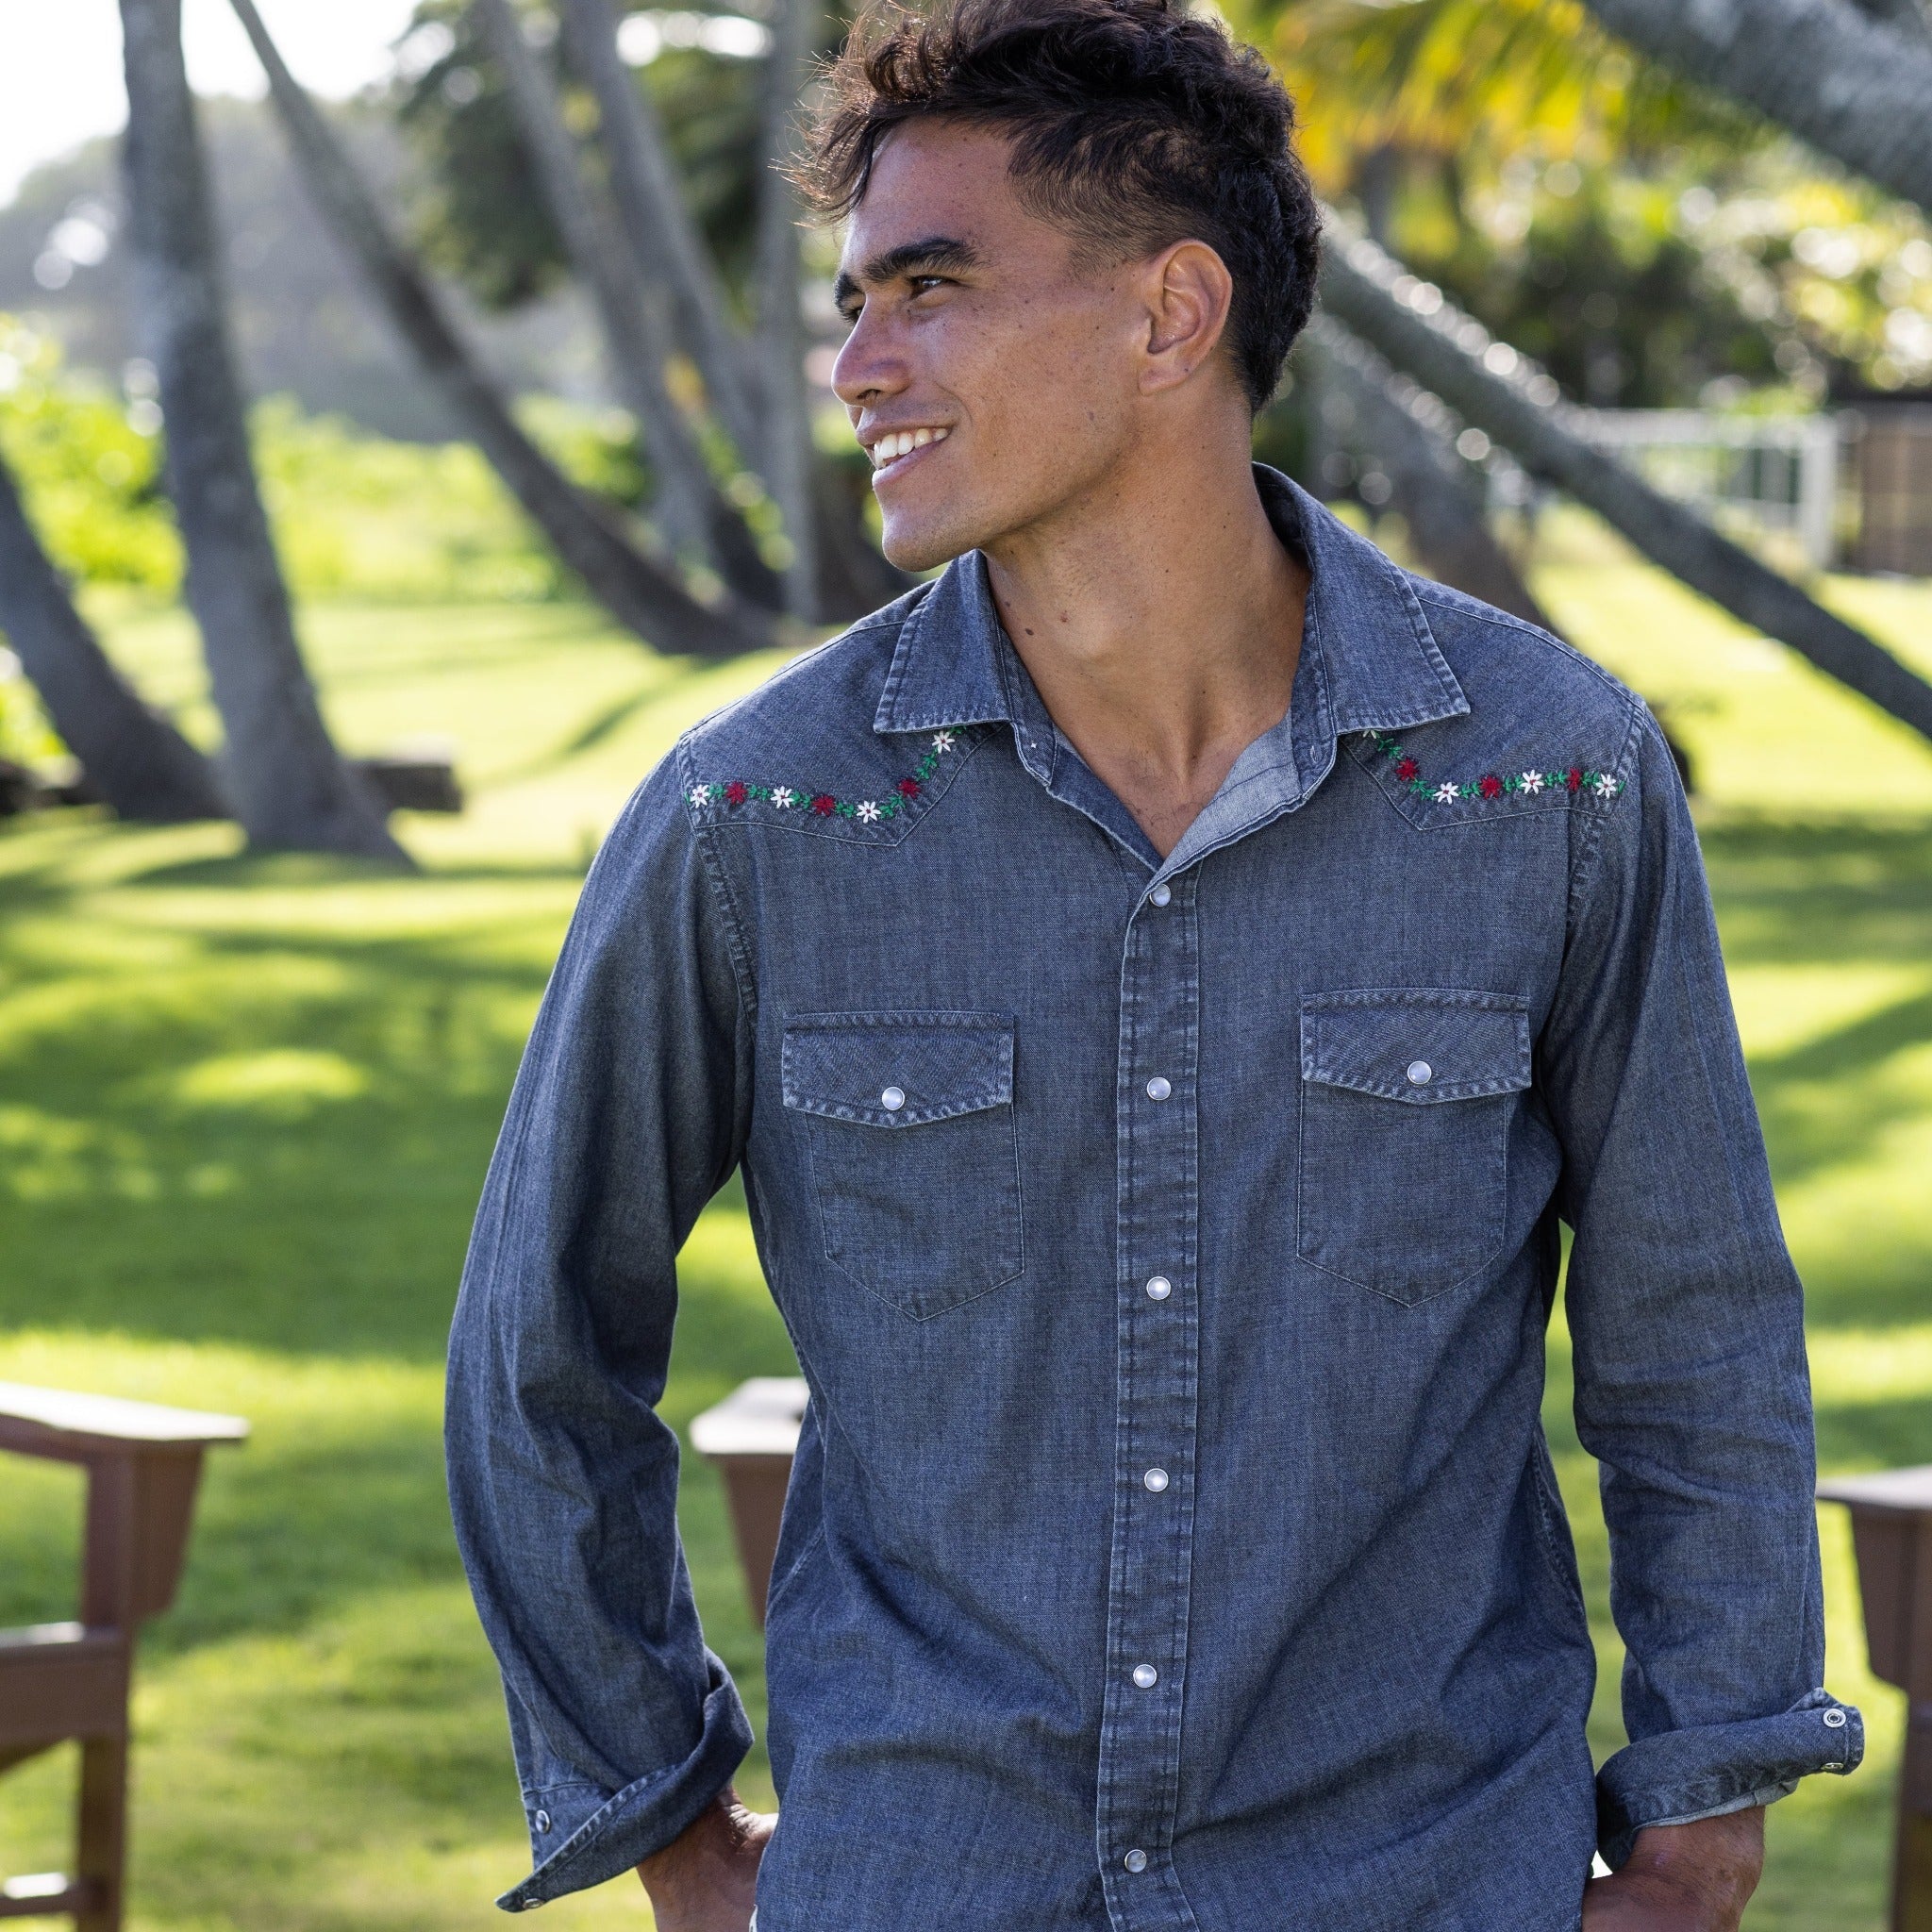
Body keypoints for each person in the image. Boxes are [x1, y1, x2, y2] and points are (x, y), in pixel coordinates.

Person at [444, 4, 1861, 1927]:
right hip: (928, 1878)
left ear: (1172, 313)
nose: (855, 364)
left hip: (1422, 1878)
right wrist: (670, 1832)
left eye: (928, 290)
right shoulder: (760, 815)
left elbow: (1692, 1327)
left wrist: (1701, 1825)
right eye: (854, 298)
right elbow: (538, 1352)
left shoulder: (1546, 774)